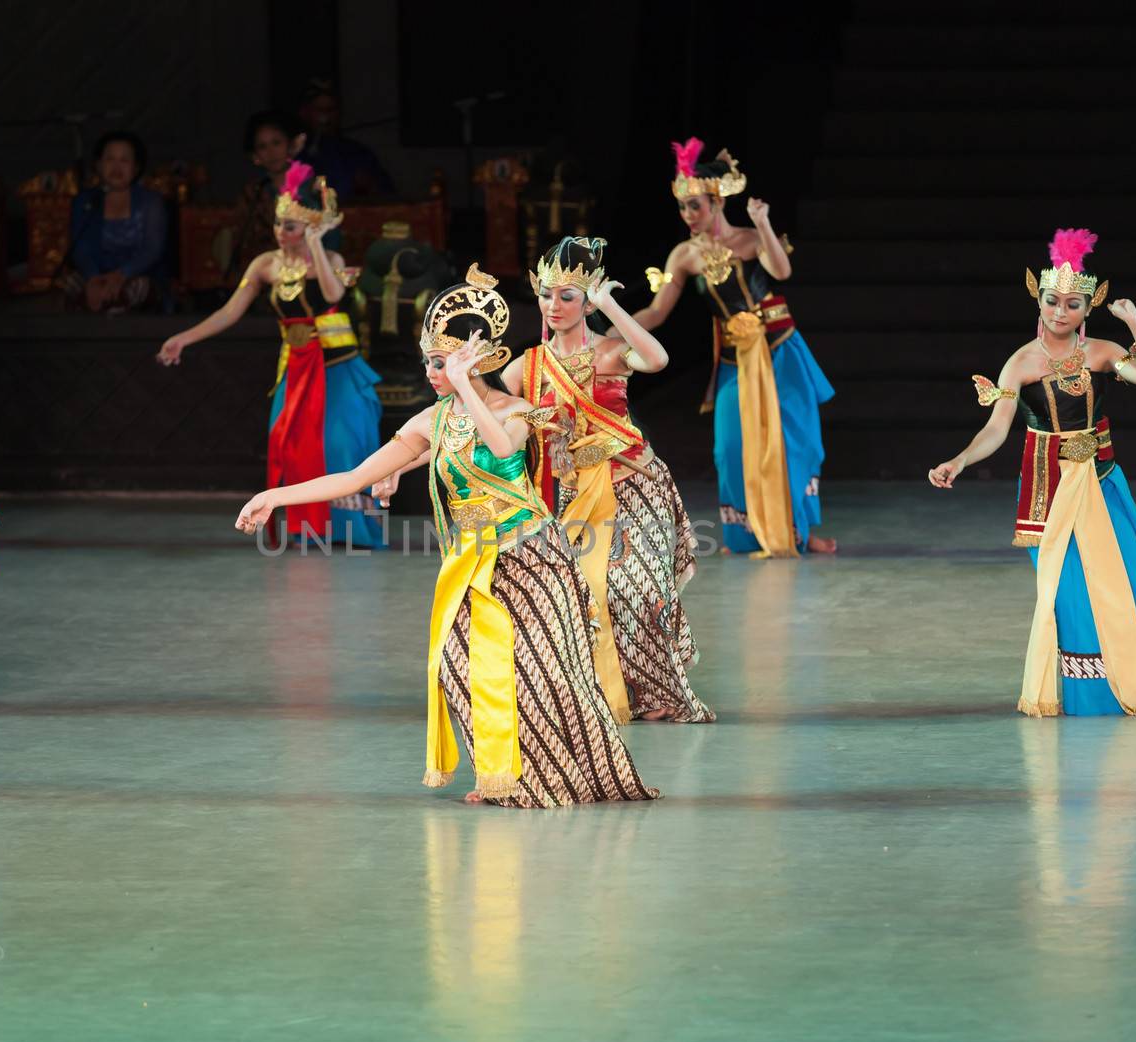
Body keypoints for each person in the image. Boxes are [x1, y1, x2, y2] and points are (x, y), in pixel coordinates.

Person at [237, 266, 659, 807]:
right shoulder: (429, 422)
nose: (432, 373)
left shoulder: (517, 409)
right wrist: (276, 496)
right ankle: (497, 776)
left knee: (543, 674)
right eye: (430, 363)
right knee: (460, 667)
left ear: (478, 362)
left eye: (441, 363)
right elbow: (353, 477)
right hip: (472, 560)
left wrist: (464, 385)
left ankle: (547, 776)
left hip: (531, 556)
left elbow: (503, 449)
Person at [928, 228, 1136, 717]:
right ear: (1039, 301)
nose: (1060, 312)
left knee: (1133, 581)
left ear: (1088, 308)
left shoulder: (1103, 352)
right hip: (1049, 488)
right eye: (1052, 301)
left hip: (1101, 481)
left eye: (1072, 304)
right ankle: (1094, 698)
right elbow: (997, 428)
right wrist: (959, 460)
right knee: (1069, 592)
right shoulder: (1020, 364)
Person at [497, 236, 712, 724]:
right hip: (571, 494)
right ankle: (599, 690)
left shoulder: (611, 352)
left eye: (567, 296)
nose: (554, 306)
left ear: (585, 299)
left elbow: (656, 360)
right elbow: (469, 418)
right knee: (582, 591)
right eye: (547, 294)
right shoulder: (525, 367)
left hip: (635, 484)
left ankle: (658, 691)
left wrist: (610, 304)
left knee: (633, 587)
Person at [157, 162, 383, 546]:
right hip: (295, 367)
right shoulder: (265, 265)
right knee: (288, 442)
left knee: (340, 444)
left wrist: (316, 245)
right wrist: (185, 338)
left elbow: (332, 296)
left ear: (309, 227)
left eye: (291, 226)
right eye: (279, 224)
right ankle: (304, 529)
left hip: (337, 366)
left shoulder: (332, 262)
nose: (282, 233)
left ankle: (350, 529)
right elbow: (230, 310)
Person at [633, 137, 835, 557]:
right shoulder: (684, 256)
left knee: (793, 443)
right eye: (684, 208)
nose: (688, 215)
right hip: (734, 358)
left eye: (696, 207)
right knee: (729, 447)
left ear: (718, 203)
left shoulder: (749, 239)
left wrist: (762, 223)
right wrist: (606, 327)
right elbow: (656, 312)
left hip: (780, 350)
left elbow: (782, 269)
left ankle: (799, 533)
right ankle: (744, 536)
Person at [60, 130, 168, 313]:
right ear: (99, 165)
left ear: (136, 168)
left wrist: (121, 276)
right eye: (110, 159)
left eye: (124, 160)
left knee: (140, 288)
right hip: (95, 277)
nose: (117, 167)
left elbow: (152, 250)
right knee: (69, 283)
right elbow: (80, 249)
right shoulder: (85, 202)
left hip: (135, 275)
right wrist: (94, 278)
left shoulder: (151, 202)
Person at [231, 110, 307, 276]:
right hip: (266, 275)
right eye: (263, 147)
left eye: (277, 143)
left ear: (291, 145)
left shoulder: (311, 187)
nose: (271, 152)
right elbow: (244, 245)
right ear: (255, 157)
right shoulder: (253, 193)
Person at [296, 79, 395, 198]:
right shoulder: (292, 153)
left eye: (331, 110)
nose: (325, 117)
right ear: (304, 113)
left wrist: (371, 186)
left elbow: (388, 196)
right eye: (319, 110)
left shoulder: (357, 153)